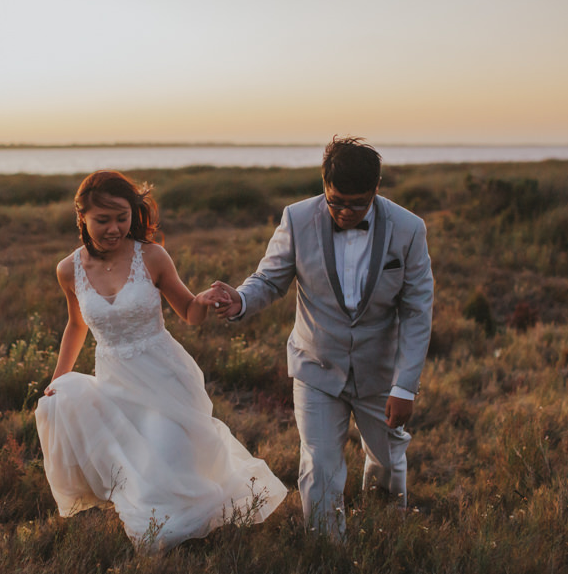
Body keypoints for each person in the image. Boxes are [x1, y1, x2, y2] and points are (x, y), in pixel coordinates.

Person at [35, 170, 287, 551]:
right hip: (114, 382)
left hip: (163, 377)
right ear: (82, 217)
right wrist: (58, 380)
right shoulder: (68, 269)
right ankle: (163, 535)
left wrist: (202, 302)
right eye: (103, 220)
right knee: (134, 462)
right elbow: (76, 325)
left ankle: (191, 532)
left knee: (168, 456)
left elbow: (188, 311)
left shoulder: (151, 256)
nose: (115, 228)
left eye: (123, 217)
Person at [209, 136, 434, 539]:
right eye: (336, 201)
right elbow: (270, 279)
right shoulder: (296, 218)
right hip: (316, 365)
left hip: (381, 374)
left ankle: (383, 531)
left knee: (387, 461)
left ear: (376, 190)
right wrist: (241, 300)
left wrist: (405, 386)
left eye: (357, 203)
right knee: (320, 463)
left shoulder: (409, 229)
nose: (346, 212)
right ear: (324, 184)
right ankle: (327, 549)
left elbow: (417, 310)